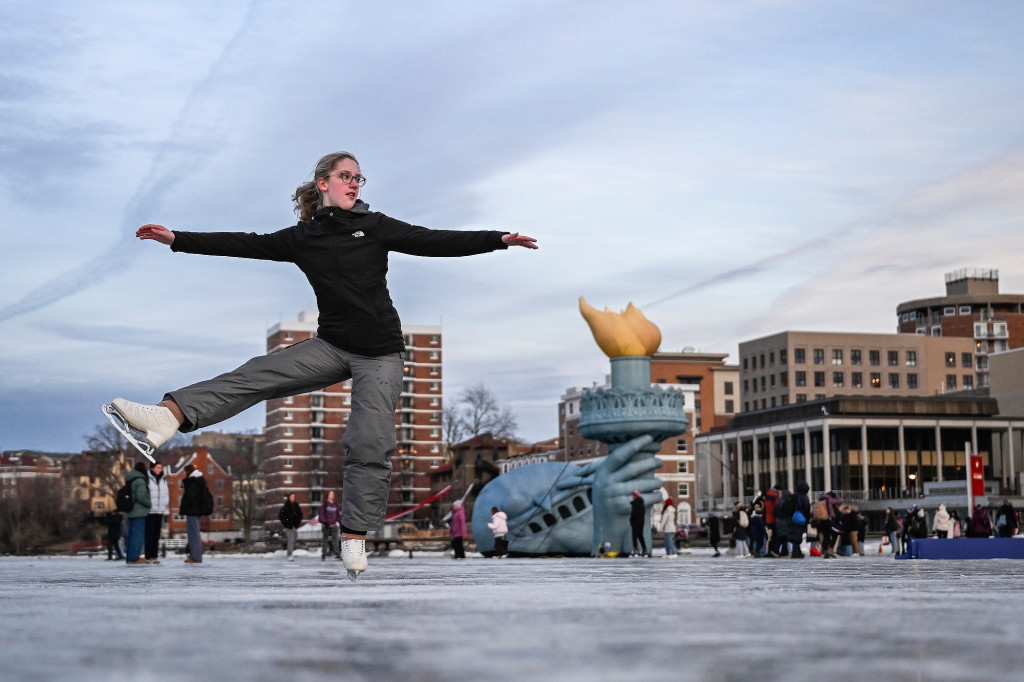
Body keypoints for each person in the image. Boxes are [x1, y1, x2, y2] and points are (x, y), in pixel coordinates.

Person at [101, 151, 538, 579]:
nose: (354, 184)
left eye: (358, 178)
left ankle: (353, 534)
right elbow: (244, 244)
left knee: (370, 436)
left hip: (380, 352)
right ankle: (167, 416)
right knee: (258, 373)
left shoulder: (376, 226)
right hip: (331, 345)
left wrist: (495, 239)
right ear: (323, 183)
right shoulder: (302, 237)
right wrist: (178, 239)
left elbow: (434, 240)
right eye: (346, 176)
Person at [179, 463, 209, 564]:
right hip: (197, 510)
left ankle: (195, 556)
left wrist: (183, 506)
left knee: (193, 534)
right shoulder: (199, 480)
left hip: (192, 511)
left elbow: (190, 497)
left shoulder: (192, 482)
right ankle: (196, 555)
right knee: (195, 533)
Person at [124, 461, 151, 564]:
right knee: (138, 534)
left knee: (131, 534)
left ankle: (130, 556)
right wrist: (148, 503)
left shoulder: (130, 478)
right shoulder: (140, 480)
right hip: (139, 511)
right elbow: (141, 496)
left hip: (130, 509)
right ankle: (135, 556)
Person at [145, 461, 169, 563]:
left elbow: (166, 494)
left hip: (159, 511)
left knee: (156, 534)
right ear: (152, 468)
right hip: (150, 511)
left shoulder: (163, 480)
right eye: (158, 467)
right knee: (149, 534)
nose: (160, 469)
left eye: (161, 468)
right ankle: (148, 556)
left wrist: (164, 505)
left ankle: (154, 556)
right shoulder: (147, 479)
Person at [787, 481, 810, 559]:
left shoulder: (792, 496)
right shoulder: (804, 497)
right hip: (801, 518)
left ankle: (796, 551)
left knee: (794, 535)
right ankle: (796, 552)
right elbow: (807, 509)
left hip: (792, 518)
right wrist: (807, 518)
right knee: (798, 535)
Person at [279, 493, 304, 561]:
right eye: (291, 496)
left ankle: (289, 552)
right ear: (289, 497)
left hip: (294, 526)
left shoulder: (296, 506)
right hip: (288, 526)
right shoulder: (285, 507)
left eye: (294, 496)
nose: (293, 497)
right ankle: (290, 554)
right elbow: (281, 516)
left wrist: (297, 523)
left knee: (294, 539)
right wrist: (286, 523)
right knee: (291, 540)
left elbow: (300, 515)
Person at [318, 490, 341, 561]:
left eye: (333, 494)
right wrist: (325, 522)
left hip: (334, 525)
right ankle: (323, 554)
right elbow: (321, 514)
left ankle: (337, 554)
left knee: (336, 540)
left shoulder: (335, 504)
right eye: (330, 494)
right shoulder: (325, 504)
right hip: (326, 526)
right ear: (328, 495)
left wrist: (341, 523)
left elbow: (338, 515)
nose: (332, 495)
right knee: (325, 540)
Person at [629, 491, 649, 557]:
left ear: (635, 496)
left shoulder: (636, 503)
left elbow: (634, 514)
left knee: (634, 536)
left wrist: (631, 520)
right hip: (641, 522)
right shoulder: (641, 503)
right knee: (640, 536)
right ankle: (644, 549)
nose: (632, 496)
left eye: (633, 495)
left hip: (635, 522)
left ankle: (636, 549)